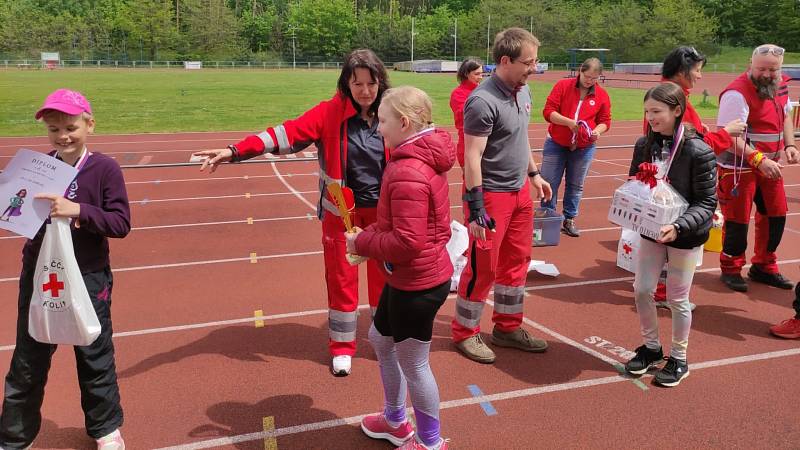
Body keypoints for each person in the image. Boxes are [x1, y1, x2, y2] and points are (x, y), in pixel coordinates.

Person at [193, 49, 390, 377]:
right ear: (346, 84)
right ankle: (342, 347)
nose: (366, 91)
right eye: (358, 84)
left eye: (372, 83)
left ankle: (385, 341)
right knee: (342, 279)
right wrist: (234, 151)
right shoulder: (329, 114)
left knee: (386, 282)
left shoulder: (391, 111)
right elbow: (282, 135)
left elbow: (423, 141)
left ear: (381, 82)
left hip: (384, 214)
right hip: (343, 215)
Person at [0, 89, 130, 449]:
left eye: (71, 126)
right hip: (42, 275)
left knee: (94, 354)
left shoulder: (105, 169)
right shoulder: (38, 169)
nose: (63, 136)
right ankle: (13, 437)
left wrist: (78, 211)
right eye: (54, 129)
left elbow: (120, 223)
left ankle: (106, 429)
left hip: (87, 276)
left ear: (90, 124)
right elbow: (18, 215)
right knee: (28, 356)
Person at [346, 86, 454, 450]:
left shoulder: (408, 168)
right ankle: (395, 420)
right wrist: (369, 235)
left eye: (383, 120)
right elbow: (395, 225)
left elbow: (408, 242)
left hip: (418, 283)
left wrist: (362, 243)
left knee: (415, 364)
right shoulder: (412, 158)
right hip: (408, 277)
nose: (378, 128)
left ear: (404, 123)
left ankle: (429, 442)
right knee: (380, 339)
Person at [451, 28, 552, 364]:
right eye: (529, 62)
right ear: (505, 61)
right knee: (484, 267)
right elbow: (471, 157)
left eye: (536, 61)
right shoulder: (482, 101)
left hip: (520, 191)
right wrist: (477, 206)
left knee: (517, 263)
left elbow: (521, 138)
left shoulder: (522, 92)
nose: (534, 69)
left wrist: (534, 174)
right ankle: (465, 332)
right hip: (491, 196)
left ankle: (507, 328)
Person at [624, 82, 716, 387]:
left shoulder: (698, 150)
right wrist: (627, 206)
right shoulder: (644, 144)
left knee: (677, 298)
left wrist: (677, 226)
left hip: (685, 236)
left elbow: (706, 202)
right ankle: (652, 348)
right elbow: (634, 184)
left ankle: (679, 358)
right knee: (641, 289)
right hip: (651, 232)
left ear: (677, 111)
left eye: (657, 111)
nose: (650, 117)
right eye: (647, 111)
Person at [647, 46, 746, 308]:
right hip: (679, 178)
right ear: (682, 71)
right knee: (676, 236)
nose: (700, 77)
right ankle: (666, 294)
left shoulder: (669, 94)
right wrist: (729, 132)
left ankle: (661, 290)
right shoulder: (674, 100)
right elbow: (696, 144)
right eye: (698, 70)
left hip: (672, 172)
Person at [715, 44, 799, 294]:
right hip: (739, 167)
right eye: (761, 68)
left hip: (771, 166)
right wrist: (759, 159)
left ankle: (764, 266)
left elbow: (785, 115)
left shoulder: (780, 84)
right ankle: (730, 268)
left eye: (773, 69)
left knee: (776, 216)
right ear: (750, 65)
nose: (767, 74)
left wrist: (790, 144)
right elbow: (729, 136)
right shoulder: (736, 93)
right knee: (737, 220)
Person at [540, 57, 612, 237]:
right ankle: (547, 217)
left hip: (584, 147)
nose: (589, 81)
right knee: (549, 182)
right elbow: (548, 112)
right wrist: (569, 123)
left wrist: (597, 131)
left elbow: (605, 121)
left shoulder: (602, 95)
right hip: (556, 142)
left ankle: (569, 218)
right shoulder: (563, 86)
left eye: (594, 79)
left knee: (575, 184)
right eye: (587, 76)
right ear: (580, 70)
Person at [450, 57, 483, 170]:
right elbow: (464, 117)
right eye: (477, 74)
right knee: (471, 185)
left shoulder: (483, 90)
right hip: (467, 145)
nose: (480, 77)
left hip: (486, 144)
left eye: (482, 74)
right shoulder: (457, 94)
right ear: (466, 74)